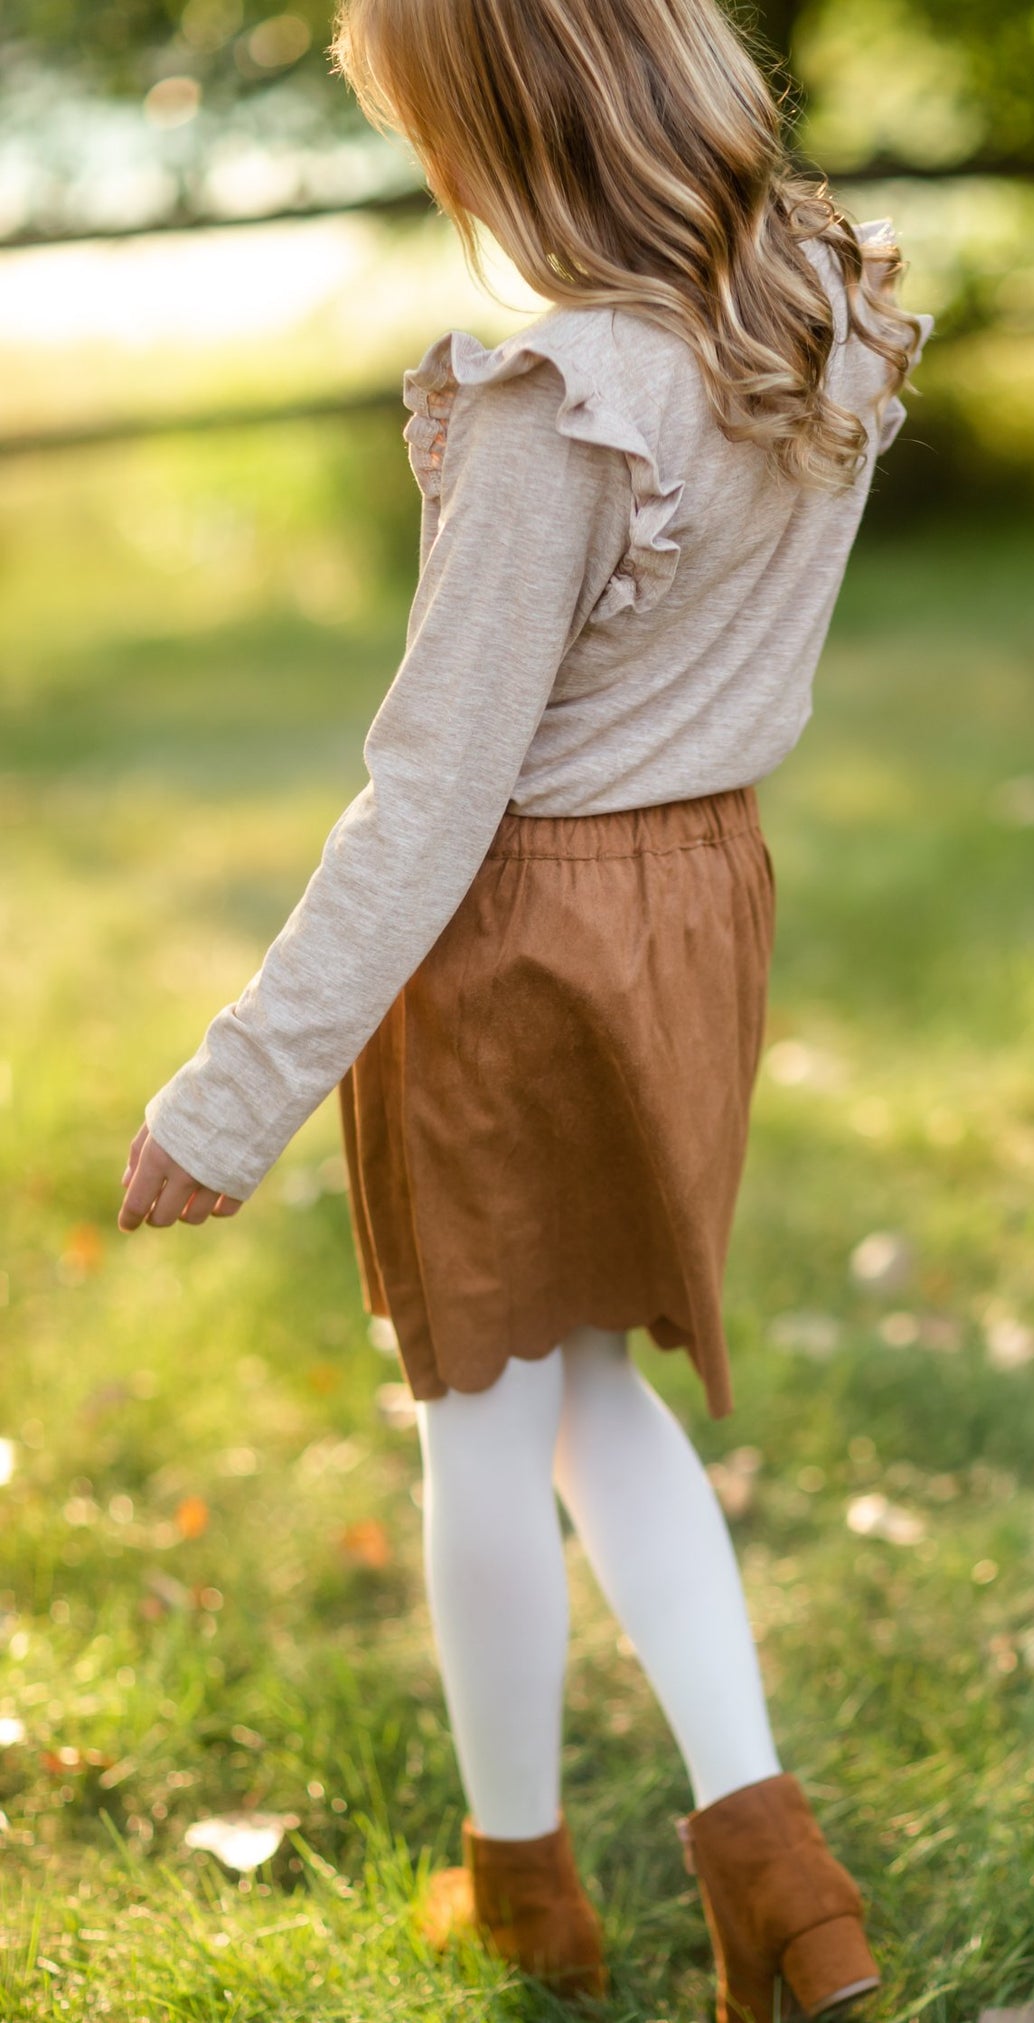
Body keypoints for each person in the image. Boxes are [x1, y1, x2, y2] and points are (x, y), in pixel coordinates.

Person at [117, 0, 932, 2013]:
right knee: (585, 1383)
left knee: (481, 1414)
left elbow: (436, 790)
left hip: (520, 939)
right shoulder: (811, 314)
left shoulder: (561, 396)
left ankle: (523, 1888)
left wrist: (235, 1094)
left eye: (427, 132)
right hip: (695, 915)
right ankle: (778, 1879)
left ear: (509, 128)